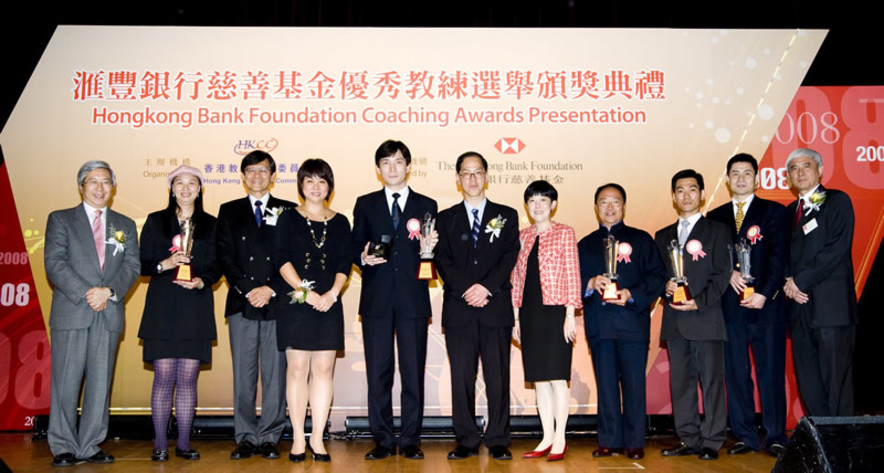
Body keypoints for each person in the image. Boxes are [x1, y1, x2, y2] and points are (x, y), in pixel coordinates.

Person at [45, 160, 140, 467]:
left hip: (108, 311)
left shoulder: (124, 224)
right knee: (66, 381)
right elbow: (55, 263)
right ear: (81, 186)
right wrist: (89, 292)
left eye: (106, 182)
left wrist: (108, 292)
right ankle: (62, 444)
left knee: (101, 383)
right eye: (93, 182)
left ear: (113, 188)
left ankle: (90, 444)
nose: (100, 188)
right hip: (73, 310)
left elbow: (132, 266)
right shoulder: (60, 219)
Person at [351, 140, 438, 460]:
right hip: (376, 300)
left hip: (413, 299)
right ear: (378, 169)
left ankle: (412, 438)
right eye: (386, 163)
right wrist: (361, 256)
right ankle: (383, 439)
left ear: (408, 166)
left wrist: (432, 248)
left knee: (413, 371)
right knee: (379, 372)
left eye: (398, 162)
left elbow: (431, 254)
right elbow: (355, 245)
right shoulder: (365, 203)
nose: (392, 168)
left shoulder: (427, 204)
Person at [435, 151, 520, 461]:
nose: (472, 178)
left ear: (487, 176)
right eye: (466, 173)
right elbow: (441, 259)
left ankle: (498, 438)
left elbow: (510, 256)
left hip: (495, 306)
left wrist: (486, 288)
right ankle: (466, 439)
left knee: (498, 376)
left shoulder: (507, 215)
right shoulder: (445, 218)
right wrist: (465, 289)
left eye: (478, 172)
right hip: (459, 309)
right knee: (462, 377)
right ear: (457, 178)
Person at [707, 154, 789, 457]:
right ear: (727, 180)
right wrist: (728, 273)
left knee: (770, 373)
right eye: (735, 174)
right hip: (730, 308)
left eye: (747, 173)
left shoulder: (774, 212)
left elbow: (779, 258)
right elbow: (711, 261)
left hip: (766, 307)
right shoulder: (715, 217)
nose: (740, 179)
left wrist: (765, 293)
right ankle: (744, 435)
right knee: (736, 373)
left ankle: (776, 435)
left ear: (757, 178)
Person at [577, 183, 666, 461]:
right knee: (606, 386)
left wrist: (631, 295)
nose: (610, 208)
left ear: (624, 206)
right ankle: (609, 441)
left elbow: (657, 277)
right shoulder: (584, 244)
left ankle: (634, 441)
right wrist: (589, 283)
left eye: (616, 202)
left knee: (634, 386)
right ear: (596, 207)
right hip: (600, 325)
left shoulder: (641, 240)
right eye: (604, 202)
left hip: (632, 325)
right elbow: (572, 281)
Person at [271, 159, 351, 463]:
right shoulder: (288, 218)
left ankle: (318, 437)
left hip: (329, 302)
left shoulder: (341, 221)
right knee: (297, 369)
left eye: (322, 181)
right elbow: (281, 258)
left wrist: (331, 294)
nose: (316, 187)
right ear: (301, 185)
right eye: (310, 181)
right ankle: (298, 439)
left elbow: (345, 262)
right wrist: (305, 293)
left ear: (329, 185)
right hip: (296, 302)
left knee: (323, 370)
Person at [217, 150, 295, 460]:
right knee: (243, 375)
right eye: (251, 171)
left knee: (276, 374)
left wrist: (271, 289)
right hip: (242, 301)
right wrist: (250, 289)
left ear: (273, 175)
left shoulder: (288, 210)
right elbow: (225, 256)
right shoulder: (229, 210)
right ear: (243, 175)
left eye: (263, 171)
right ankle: (246, 435)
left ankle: (271, 435)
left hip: (276, 302)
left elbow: (291, 255)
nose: (257, 176)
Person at [138, 165, 219, 461]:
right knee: (162, 376)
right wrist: (165, 264)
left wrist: (202, 280)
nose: (186, 188)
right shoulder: (155, 221)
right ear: (171, 189)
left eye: (192, 183)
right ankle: (160, 444)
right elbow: (143, 264)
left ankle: (184, 444)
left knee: (187, 378)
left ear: (200, 189)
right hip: (162, 307)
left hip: (195, 307)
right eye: (179, 183)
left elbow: (217, 266)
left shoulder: (212, 224)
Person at [653, 169, 730, 460]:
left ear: (701, 193)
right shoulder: (663, 236)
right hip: (674, 321)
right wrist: (665, 286)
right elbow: (657, 275)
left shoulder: (718, 231)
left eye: (692, 189)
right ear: (673, 197)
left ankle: (712, 440)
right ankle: (688, 438)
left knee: (711, 382)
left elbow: (722, 274)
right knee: (681, 383)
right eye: (680, 191)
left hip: (706, 317)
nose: (686, 195)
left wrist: (699, 302)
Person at [510, 180, 582, 462]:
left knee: (557, 378)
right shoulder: (522, 236)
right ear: (526, 206)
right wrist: (515, 316)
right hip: (528, 313)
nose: (537, 205)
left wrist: (570, 315)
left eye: (543, 200)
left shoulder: (565, 233)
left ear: (553, 204)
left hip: (555, 313)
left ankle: (561, 438)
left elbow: (573, 273)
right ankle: (546, 437)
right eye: (532, 201)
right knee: (539, 380)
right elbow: (516, 279)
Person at [783, 148, 856, 417]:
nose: (800, 172)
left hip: (831, 310)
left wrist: (799, 282)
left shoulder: (837, 201)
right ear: (788, 176)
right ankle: (820, 445)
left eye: (806, 166)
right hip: (799, 311)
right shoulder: (790, 211)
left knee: (835, 383)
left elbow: (836, 249)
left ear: (820, 170)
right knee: (809, 382)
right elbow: (782, 255)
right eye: (793, 168)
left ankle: (840, 448)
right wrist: (787, 282)